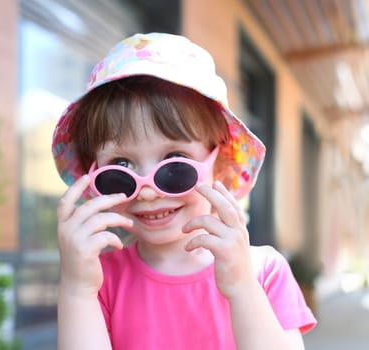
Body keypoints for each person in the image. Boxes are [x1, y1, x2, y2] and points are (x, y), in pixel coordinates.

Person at [52, 32, 316, 350]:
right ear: (94, 178)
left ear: (218, 164)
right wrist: (77, 290)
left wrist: (242, 287)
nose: (148, 193)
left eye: (175, 163)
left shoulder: (263, 271)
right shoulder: (99, 279)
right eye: (120, 167)